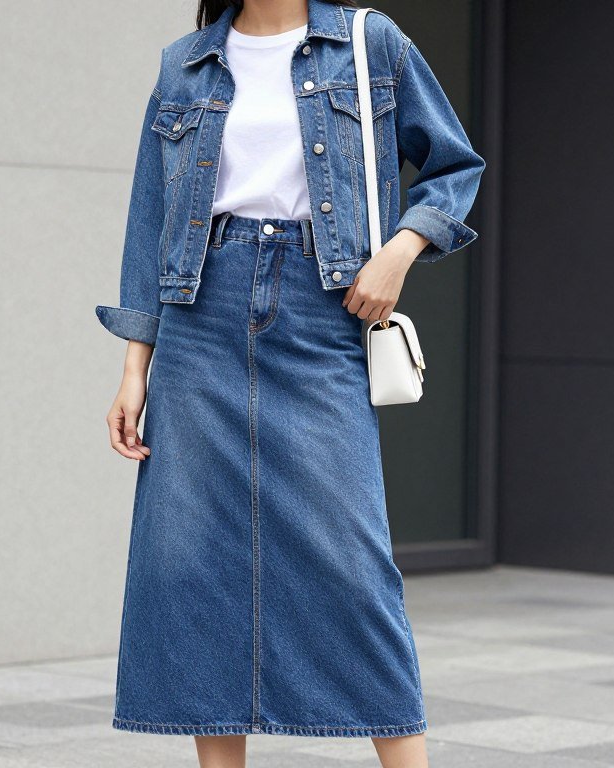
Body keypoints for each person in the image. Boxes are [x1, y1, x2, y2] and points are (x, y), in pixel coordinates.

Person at [95, 1, 485, 765]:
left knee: (352, 563)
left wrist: (398, 253)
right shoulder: (186, 62)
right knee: (193, 563)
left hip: (321, 312)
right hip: (198, 320)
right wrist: (133, 369)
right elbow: (151, 218)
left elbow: (452, 166)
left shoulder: (371, 42)